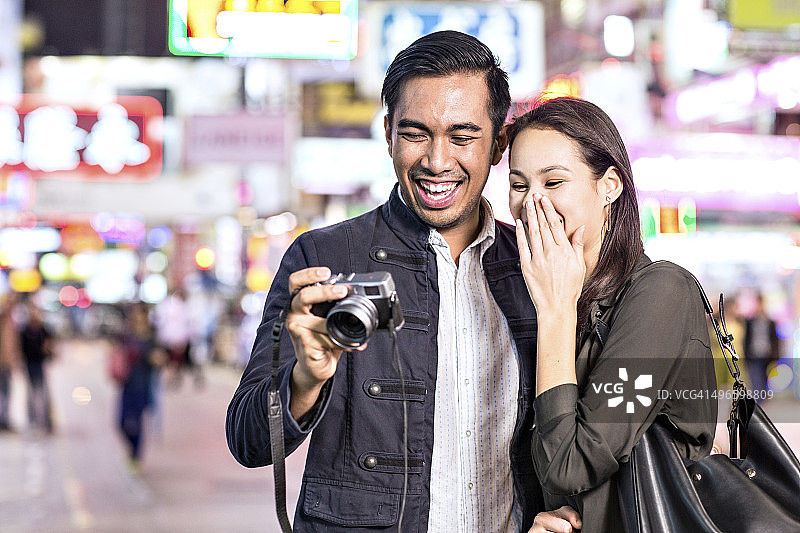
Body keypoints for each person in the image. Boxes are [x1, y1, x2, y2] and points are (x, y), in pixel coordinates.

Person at [227, 30, 580, 532]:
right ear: (388, 131)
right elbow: (246, 440)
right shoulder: (325, 258)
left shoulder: (539, 267)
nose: (437, 162)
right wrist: (306, 378)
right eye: (416, 134)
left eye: (462, 137)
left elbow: (580, 444)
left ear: (499, 143)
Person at [507, 96, 718, 532]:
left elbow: (570, 465)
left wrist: (556, 312)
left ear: (610, 186)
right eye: (520, 184)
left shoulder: (663, 295)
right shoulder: (537, 293)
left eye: (554, 182)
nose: (532, 204)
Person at [115, 303, 166, 472]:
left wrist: (155, 358)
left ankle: (136, 456)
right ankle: (132, 450)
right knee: (121, 422)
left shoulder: (151, 338)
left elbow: (160, 359)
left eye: (140, 314)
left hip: (143, 386)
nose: (137, 317)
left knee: (136, 423)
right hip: (126, 385)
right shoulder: (126, 334)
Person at [19, 298, 55, 434]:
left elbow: (50, 346)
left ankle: (46, 422)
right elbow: (21, 347)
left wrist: (48, 350)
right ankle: (32, 421)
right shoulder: (25, 329)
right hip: (29, 364)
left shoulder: (43, 329)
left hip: (40, 363)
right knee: (30, 393)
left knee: (43, 392)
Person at [742, 291, 779, 400]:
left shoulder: (769, 321)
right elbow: (746, 339)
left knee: (763, 379)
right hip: (754, 354)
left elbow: (775, 339)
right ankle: (757, 402)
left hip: (766, 354)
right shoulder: (750, 321)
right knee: (755, 379)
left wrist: (776, 355)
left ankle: (761, 400)